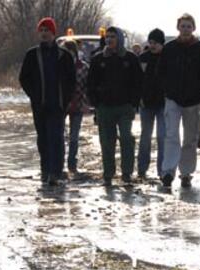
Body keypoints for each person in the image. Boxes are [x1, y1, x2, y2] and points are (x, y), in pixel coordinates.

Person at [19, 17, 76, 186]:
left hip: (58, 105)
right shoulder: (32, 54)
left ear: (53, 33)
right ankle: (45, 170)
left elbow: (71, 81)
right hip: (40, 105)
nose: (44, 34)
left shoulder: (63, 55)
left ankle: (55, 172)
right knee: (43, 138)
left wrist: (65, 100)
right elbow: (23, 78)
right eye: (41, 31)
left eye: (47, 31)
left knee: (56, 137)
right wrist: (34, 95)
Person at [158, 13, 200, 189]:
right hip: (173, 98)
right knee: (171, 135)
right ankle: (168, 171)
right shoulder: (169, 48)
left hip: (193, 100)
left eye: (189, 26)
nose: (186, 29)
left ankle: (186, 173)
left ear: (193, 28)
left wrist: (199, 90)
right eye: (183, 26)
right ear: (178, 27)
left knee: (190, 138)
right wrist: (166, 89)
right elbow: (162, 70)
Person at [87, 26, 143, 187]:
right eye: (108, 37)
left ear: (119, 38)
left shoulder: (130, 58)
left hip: (125, 107)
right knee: (107, 141)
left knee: (126, 138)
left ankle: (126, 173)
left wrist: (134, 102)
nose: (110, 39)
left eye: (113, 36)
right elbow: (91, 83)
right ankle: (108, 174)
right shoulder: (98, 59)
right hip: (105, 107)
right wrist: (96, 103)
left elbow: (138, 82)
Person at [137, 28, 166, 179]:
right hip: (146, 103)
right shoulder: (143, 58)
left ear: (162, 43)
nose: (153, 45)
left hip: (163, 104)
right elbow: (137, 80)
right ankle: (142, 168)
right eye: (151, 42)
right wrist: (139, 98)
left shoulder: (167, 58)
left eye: (156, 43)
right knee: (145, 137)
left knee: (162, 137)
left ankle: (162, 170)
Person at [63, 40, 90, 175]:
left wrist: (86, 103)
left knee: (74, 136)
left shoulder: (83, 67)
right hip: (61, 105)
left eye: (70, 51)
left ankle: (72, 164)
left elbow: (87, 87)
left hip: (78, 104)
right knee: (59, 135)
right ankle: (58, 163)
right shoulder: (58, 66)